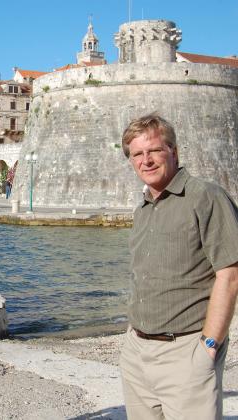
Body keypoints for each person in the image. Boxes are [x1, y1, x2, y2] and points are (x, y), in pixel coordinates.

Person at [119, 113, 238, 419]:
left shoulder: (205, 196)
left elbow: (231, 273)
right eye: (137, 154)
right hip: (137, 352)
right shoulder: (143, 209)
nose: (146, 160)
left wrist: (209, 346)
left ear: (173, 151)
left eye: (154, 150)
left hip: (185, 352)